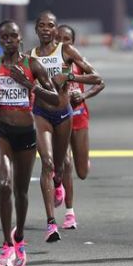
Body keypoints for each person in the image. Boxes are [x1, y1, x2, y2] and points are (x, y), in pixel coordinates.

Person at [0, 20, 59, 266]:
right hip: (0, 131)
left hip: (26, 134)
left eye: (13, 36)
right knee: (4, 184)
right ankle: (5, 245)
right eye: (4, 37)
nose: (9, 40)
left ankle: (19, 237)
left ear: (20, 38)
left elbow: (55, 97)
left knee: (21, 192)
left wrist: (29, 85)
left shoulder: (32, 65)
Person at [29, 11, 103, 242]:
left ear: (55, 29)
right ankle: (51, 223)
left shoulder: (66, 51)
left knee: (65, 167)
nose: (45, 29)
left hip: (65, 114)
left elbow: (97, 78)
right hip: (41, 114)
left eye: (49, 25)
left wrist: (71, 77)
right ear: (36, 29)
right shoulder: (29, 56)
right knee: (47, 164)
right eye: (41, 25)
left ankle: (59, 181)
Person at [57, 25, 105, 229]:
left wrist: (82, 95)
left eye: (66, 39)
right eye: (59, 38)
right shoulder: (47, 62)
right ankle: (70, 213)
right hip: (57, 118)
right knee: (64, 163)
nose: (62, 42)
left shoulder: (77, 61)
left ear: (73, 43)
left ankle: (83, 160)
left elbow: (100, 82)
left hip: (78, 116)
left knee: (82, 172)